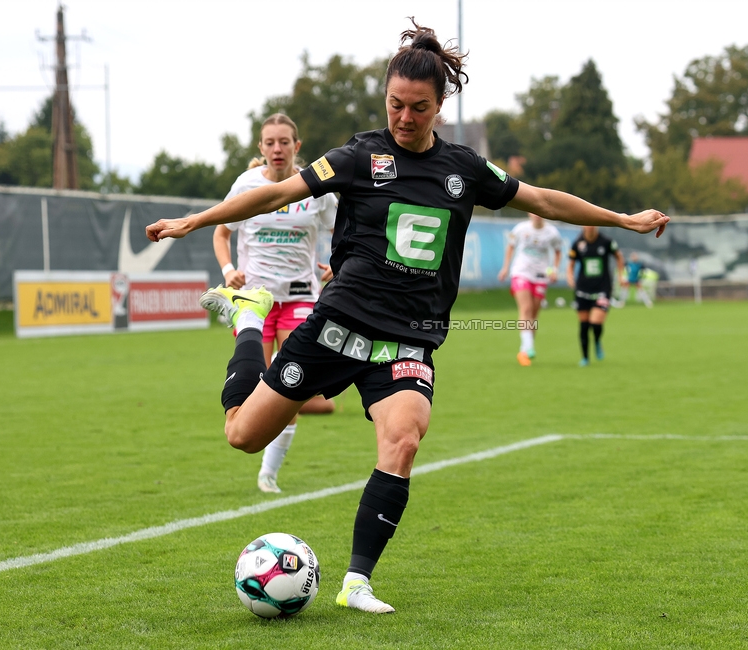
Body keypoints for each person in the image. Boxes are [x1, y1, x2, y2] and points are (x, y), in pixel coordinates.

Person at [146, 19, 668, 615]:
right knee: (242, 436)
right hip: (338, 325)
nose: (404, 117)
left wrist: (622, 219)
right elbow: (279, 193)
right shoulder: (358, 156)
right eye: (395, 104)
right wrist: (198, 220)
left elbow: (543, 199)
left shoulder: (465, 169)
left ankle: (356, 583)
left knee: (404, 438)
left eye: (419, 107)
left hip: (408, 339)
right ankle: (247, 319)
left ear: (440, 106)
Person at [212, 113, 338, 495]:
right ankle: (256, 433)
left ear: (296, 146)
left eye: (284, 142)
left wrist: (338, 262)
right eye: (270, 143)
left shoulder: (315, 186)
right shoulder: (247, 185)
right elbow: (221, 232)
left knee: (287, 383)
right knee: (257, 389)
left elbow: (344, 229)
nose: (277, 149)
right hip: (255, 299)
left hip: (300, 295)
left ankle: (268, 474)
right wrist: (229, 270)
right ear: (261, 147)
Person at [497, 213, 562, 366]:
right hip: (521, 272)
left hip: (540, 275)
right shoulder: (521, 229)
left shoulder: (552, 233)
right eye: (533, 212)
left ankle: (524, 350)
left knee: (533, 314)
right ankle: (529, 346)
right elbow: (510, 247)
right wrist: (505, 267)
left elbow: (558, 251)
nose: (537, 215)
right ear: (529, 213)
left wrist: (554, 270)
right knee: (525, 308)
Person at [566, 226, 625, 366]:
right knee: (584, 325)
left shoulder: (606, 241)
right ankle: (585, 358)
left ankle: (597, 341)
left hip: (602, 289)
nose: (590, 226)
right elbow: (571, 264)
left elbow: (618, 256)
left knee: (596, 323)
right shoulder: (578, 243)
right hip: (583, 289)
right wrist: (570, 277)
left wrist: (621, 275)